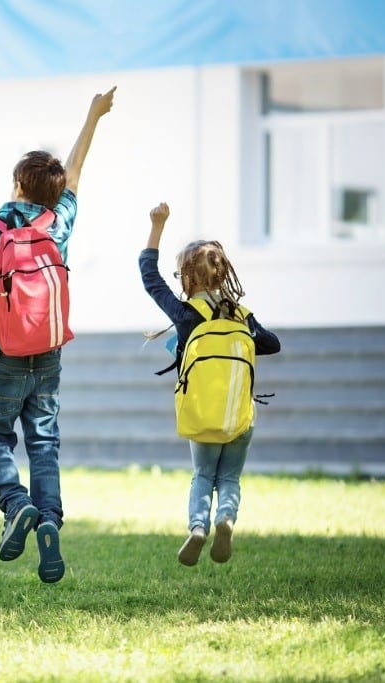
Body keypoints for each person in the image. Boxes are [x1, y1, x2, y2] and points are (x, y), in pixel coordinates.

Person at [0, 87, 116, 583]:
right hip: (46, 352)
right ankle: (48, 521)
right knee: (43, 442)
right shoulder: (58, 223)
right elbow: (77, 170)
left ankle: (16, 503)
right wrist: (93, 115)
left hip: (0, 351)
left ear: (17, 185)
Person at [139, 202, 281, 566]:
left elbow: (148, 276)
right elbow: (271, 344)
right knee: (229, 478)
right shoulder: (242, 315)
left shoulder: (188, 315)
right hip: (239, 416)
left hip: (202, 415)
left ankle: (198, 527)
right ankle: (226, 519)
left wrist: (157, 226)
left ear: (187, 278)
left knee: (203, 475)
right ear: (223, 275)